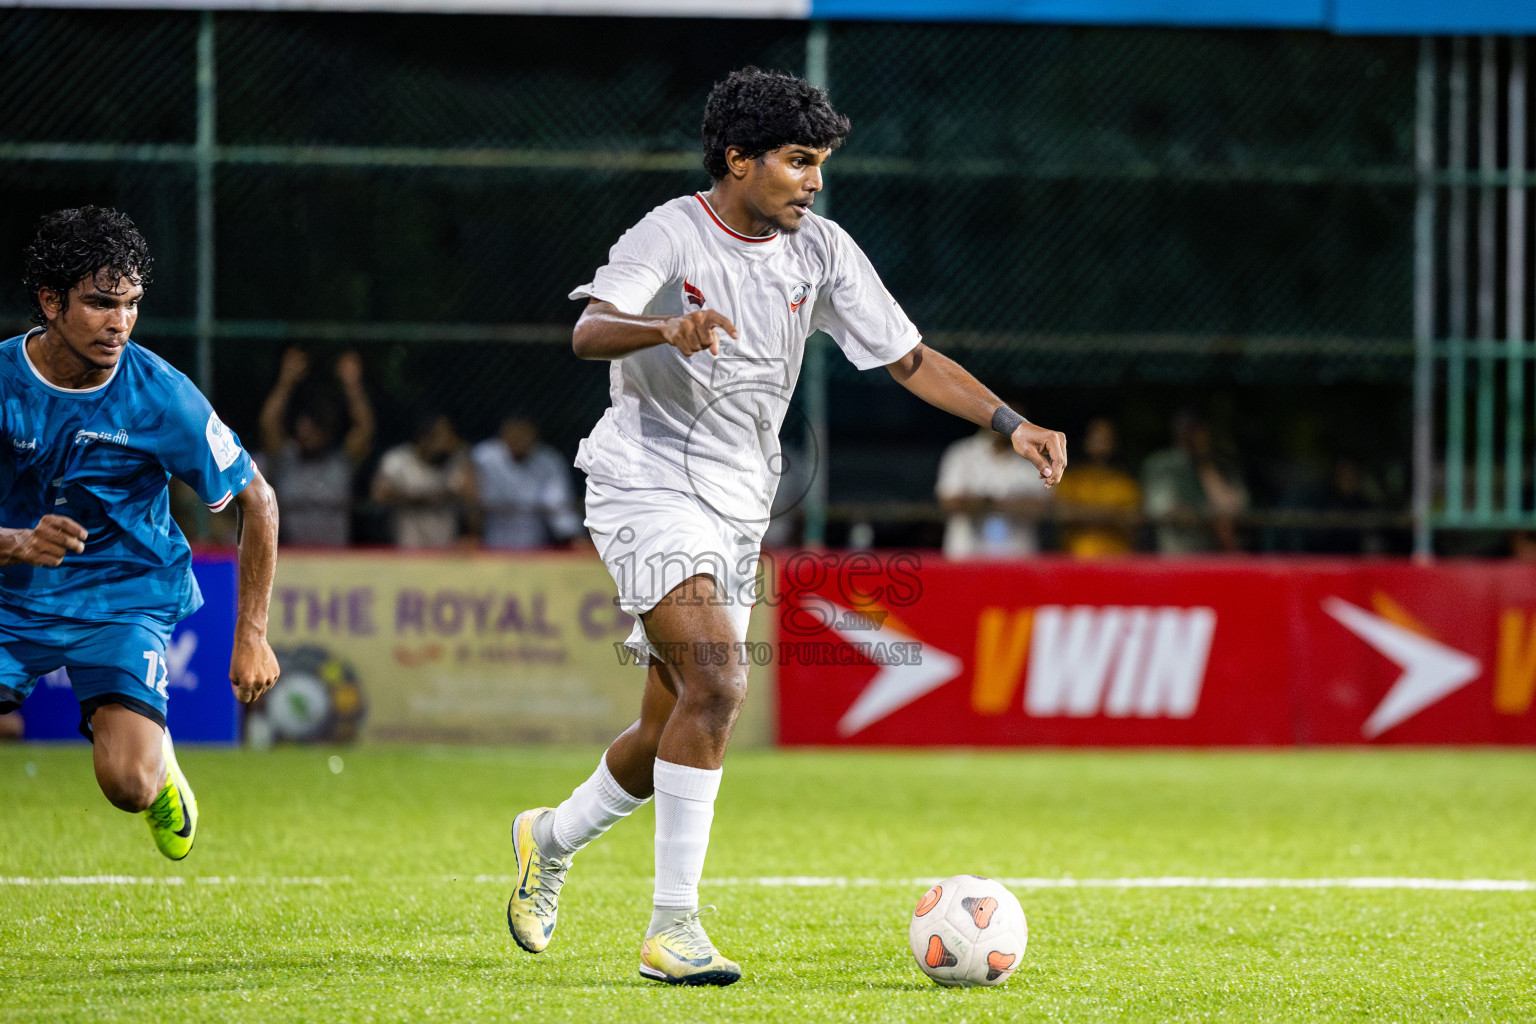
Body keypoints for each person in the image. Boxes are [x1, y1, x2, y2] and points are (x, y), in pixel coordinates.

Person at [504, 68, 1067, 986]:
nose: (815, 181)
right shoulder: (668, 234)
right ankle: (673, 930)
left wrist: (1013, 423)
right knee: (722, 683)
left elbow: (911, 358)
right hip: (644, 482)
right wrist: (662, 332)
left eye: (821, 163)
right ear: (738, 160)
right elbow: (590, 331)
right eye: (800, 162)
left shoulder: (823, 250)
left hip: (736, 504)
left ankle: (549, 837)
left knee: (669, 727)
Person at [0, 206, 279, 859]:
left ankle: (159, 776)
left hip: (123, 597)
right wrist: (16, 544)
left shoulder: (160, 395)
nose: (119, 323)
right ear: (50, 301)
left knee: (126, 782)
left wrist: (253, 637)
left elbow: (257, 502)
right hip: (12, 593)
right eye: (100, 304)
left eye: (130, 304)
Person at [258, 347, 374, 546]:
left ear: (327, 432)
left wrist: (352, 385)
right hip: (293, 555)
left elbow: (365, 429)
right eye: (302, 428)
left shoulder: (341, 462)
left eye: (313, 429)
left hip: (336, 557)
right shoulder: (287, 459)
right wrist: (286, 381)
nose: (305, 434)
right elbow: (268, 424)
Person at [934, 406, 1052, 559]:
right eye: (1003, 419)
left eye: (1017, 421)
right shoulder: (961, 453)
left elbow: (1043, 507)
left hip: (1018, 557)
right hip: (966, 554)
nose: (1009, 425)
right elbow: (949, 502)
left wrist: (988, 503)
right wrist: (1013, 503)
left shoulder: (1036, 460)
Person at [1141, 408, 1248, 554]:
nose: (1192, 435)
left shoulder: (1221, 466)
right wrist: (1200, 516)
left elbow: (1234, 509)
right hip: (1177, 556)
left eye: (1198, 429)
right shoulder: (1161, 464)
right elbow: (1160, 509)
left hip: (1215, 556)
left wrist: (1203, 463)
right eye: (1187, 429)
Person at [469, 416, 582, 549]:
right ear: (503, 435)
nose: (518, 438)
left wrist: (575, 536)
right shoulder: (483, 457)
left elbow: (559, 507)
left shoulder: (548, 461)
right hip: (491, 543)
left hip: (536, 545)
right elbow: (469, 500)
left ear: (535, 436)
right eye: (513, 433)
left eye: (524, 433)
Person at [371, 412, 472, 548]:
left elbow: (469, 495)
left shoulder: (456, 461)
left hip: (445, 548)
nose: (448, 440)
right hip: (406, 546)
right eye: (442, 436)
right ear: (425, 437)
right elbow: (379, 494)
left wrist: (461, 452)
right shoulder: (398, 459)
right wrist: (415, 498)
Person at [1052, 417, 1142, 557]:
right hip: (1077, 558)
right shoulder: (1071, 478)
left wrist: (1083, 513)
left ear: (1114, 443)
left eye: (1106, 440)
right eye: (1096, 438)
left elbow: (1132, 521)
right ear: (1085, 441)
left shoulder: (1125, 482)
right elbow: (1063, 515)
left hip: (1117, 560)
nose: (1101, 444)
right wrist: (1110, 515)